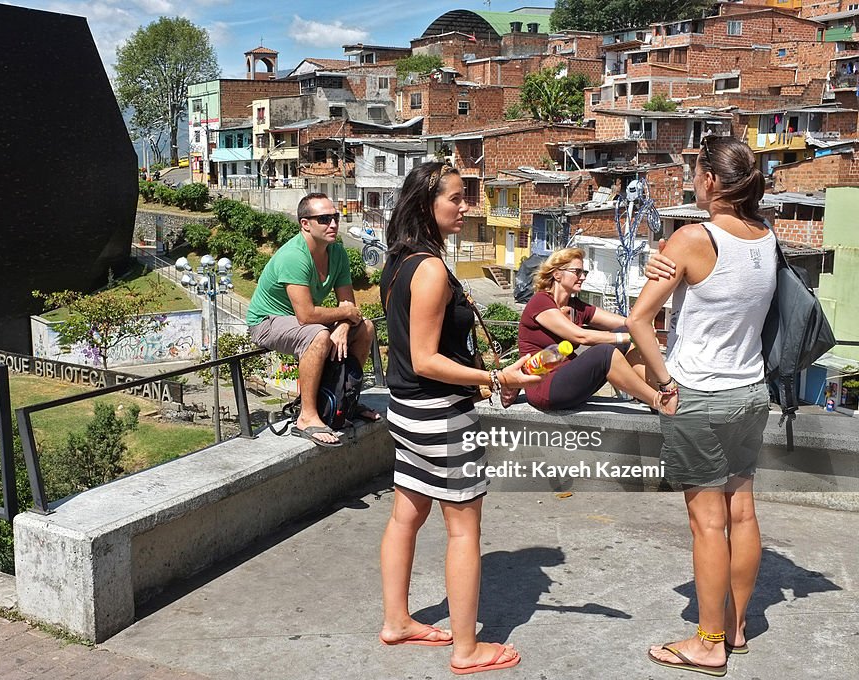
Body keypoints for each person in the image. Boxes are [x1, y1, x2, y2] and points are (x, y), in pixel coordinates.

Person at [378, 161, 541, 675]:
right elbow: (427, 358)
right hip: (439, 414)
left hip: (408, 411)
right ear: (427, 204)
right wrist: (491, 380)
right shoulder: (427, 269)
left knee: (407, 514)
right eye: (456, 198)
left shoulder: (401, 261)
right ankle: (467, 649)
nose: (465, 206)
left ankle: (398, 621)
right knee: (463, 529)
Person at [626, 136, 776, 677]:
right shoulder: (766, 235)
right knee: (742, 511)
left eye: (695, 170)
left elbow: (638, 321)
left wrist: (664, 382)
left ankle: (709, 643)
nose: (692, 179)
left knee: (707, 524)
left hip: (702, 396)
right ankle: (736, 627)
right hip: (751, 392)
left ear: (711, 179)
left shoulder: (692, 237)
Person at [247, 192, 377, 448]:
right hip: (267, 321)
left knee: (366, 328)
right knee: (317, 335)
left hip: (303, 322)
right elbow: (306, 315)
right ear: (305, 223)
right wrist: (343, 317)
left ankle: (345, 400)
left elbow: (349, 306)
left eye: (336, 217)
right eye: (324, 219)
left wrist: (342, 327)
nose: (333, 224)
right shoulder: (294, 256)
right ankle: (307, 416)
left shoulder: (337, 253)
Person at [516, 248, 667, 411]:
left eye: (584, 272)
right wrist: (629, 337)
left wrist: (643, 329)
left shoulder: (577, 307)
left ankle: (654, 391)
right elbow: (581, 337)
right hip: (545, 387)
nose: (583, 277)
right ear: (557, 274)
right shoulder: (540, 302)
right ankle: (657, 401)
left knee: (625, 331)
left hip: (570, 380)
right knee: (605, 353)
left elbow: (629, 323)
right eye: (577, 272)